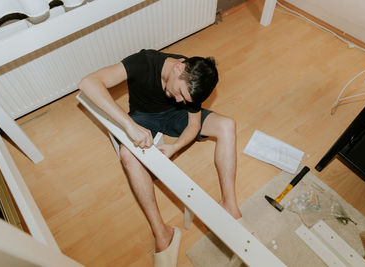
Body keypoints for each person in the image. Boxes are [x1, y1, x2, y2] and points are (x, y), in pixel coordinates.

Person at [78, 49, 242, 266]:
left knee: (228, 125)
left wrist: (175, 148)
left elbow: (193, 123)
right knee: (127, 155)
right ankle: (163, 233)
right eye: (180, 93)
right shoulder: (144, 62)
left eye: (185, 98)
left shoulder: (192, 81)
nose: (179, 99)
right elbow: (88, 83)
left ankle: (229, 205)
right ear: (179, 67)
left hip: (175, 118)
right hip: (143, 117)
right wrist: (130, 125)